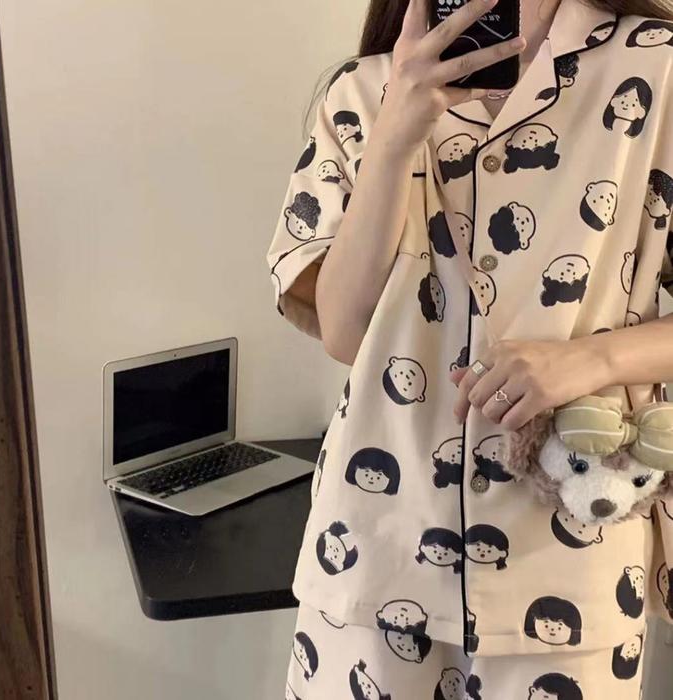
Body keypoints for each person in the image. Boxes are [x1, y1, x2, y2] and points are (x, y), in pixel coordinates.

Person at [266, 0, 673, 697]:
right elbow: (346, 332)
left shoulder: (657, 68)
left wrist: (592, 360)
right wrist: (395, 135)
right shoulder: (363, 92)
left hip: (569, 562)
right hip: (374, 552)